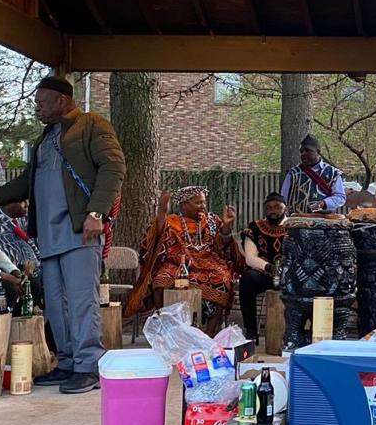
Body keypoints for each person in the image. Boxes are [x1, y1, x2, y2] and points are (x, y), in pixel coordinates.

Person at [0, 75, 126, 395]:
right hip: (49, 236)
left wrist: (97, 213)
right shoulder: (45, 137)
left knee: (81, 302)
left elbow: (113, 167)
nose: (37, 107)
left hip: (80, 230)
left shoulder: (92, 125)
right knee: (55, 304)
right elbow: (26, 181)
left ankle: (89, 365)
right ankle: (67, 362)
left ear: (62, 101)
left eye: (42, 102)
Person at [131, 186, 242, 332]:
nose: (203, 206)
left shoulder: (211, 221)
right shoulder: (172, 221)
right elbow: (156, 237)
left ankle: (209, 334)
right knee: (160, 280)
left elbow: (224, 246)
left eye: (203, 202)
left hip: (208, 264)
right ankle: (167, 329)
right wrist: (162, 211)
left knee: (223, 279)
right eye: (198, 203)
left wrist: (226, 226)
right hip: (177, 263)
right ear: (184, 205)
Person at [239, 192, 288, 340]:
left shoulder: (295, 226)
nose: (273, 211)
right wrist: (270, 268)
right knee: (247, 279)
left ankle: (297, 333)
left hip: (289, 275)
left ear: (285, 208)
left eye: (277, 207)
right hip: (264, 273)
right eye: (269, 208)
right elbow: (250, 258)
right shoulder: (254, 227)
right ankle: (251, 331)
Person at [281, 134, 346, 214]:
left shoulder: (332, 173)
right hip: (297, 218)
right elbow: (283, 198)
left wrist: (324, 203)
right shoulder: (293, 174)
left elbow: (340, 197)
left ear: (318, 152)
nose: (303, 154)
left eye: (307, 150)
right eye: (301, 151)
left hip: (325, 218)